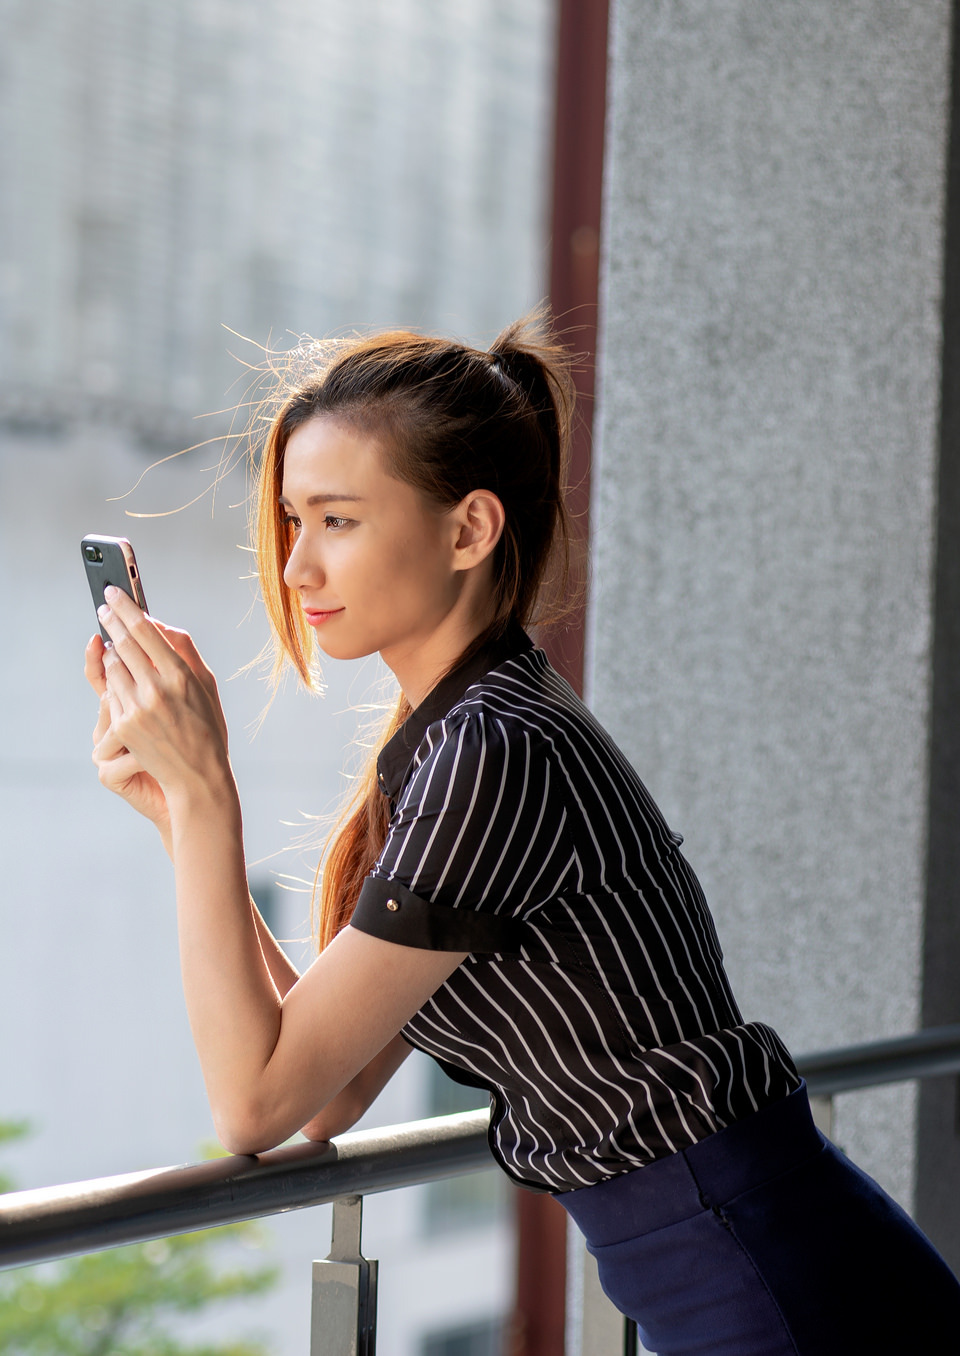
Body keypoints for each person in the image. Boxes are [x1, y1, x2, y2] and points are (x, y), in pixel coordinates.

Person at [82, 314, 960, 1355]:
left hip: (760, 1273)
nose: (296, 567)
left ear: (468, 530)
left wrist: (209, 798)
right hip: (743, 1255)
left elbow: (254, 1105)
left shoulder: (493, 750)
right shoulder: (462, 732)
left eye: (337, 521)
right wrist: (182, 817)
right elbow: (329, 1091)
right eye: (289, 521)